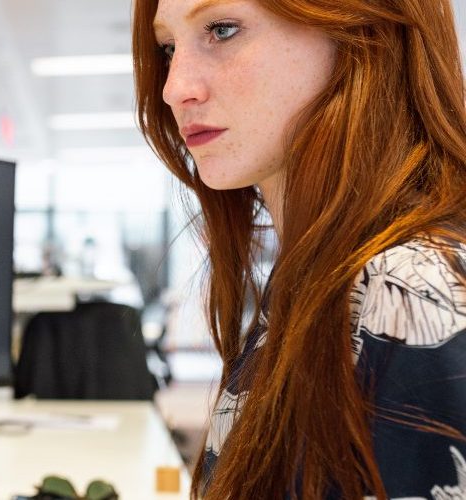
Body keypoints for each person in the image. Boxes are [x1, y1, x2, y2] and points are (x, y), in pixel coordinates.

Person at [132, 0, 466, 498]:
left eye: (222, 29)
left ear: (361, 28)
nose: (174, 88)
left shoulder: (413, 286)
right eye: (168, 47)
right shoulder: (317, 273)